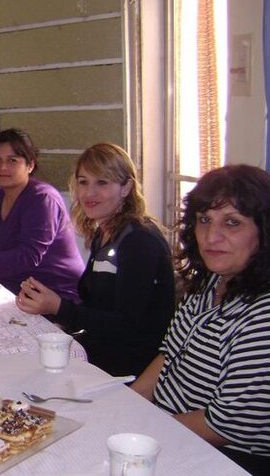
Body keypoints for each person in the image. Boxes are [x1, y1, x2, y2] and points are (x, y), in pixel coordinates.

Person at [131, 165, 270, 474]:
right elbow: (168, 356)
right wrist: (127, 407)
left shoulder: (262, 318)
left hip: (225, 457)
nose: (211, 235)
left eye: (232, 223)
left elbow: (220, 427)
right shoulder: (211, 281)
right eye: (204, 220)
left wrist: (141, 433)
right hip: (170, 427)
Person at [17, 143, 174, 377]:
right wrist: (50, 307)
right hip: (105, 349)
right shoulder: (105, 232)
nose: (89, 193)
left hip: (132, 367)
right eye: (83, 182)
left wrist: (58, 307)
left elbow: (128, 327)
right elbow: (97, 307)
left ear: (126, 187)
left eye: (102, 183)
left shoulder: (138, 241)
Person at [0, 128, 84, 298]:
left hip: (52, 297)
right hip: (8, 289)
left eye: (12, 160)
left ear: (30, 165)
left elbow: (28, 256)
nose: (3, 167)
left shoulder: (43, 199)